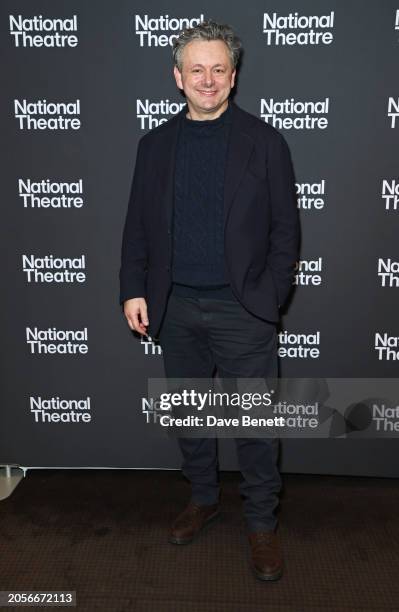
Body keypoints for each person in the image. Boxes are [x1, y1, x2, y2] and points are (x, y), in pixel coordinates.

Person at [119, 20, 300, 581]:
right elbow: (137, 229)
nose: (208, 79)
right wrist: (133, 288)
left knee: (256, 426)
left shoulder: (266, 143)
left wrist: (265, 298)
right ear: (177, 76)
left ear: (233, 76)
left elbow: (285, 233)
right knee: (191, 417)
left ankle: (262, 524)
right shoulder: (154, 146)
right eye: (196, 69)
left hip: (242, 309)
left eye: (218, 69)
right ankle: (202, 498)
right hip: (175, 308)